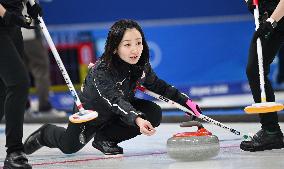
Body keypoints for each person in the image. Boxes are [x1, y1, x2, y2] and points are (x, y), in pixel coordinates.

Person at [23, 19, 202, 156]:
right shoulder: (102, 70)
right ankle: (44, 133)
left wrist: (185, 101)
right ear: (115, 48)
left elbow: (158, 86)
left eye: (139, 43)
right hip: (92, 115)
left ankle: (105, 139)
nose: (135, 50)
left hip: (120, 112)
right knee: (69, 147)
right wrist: (137, 119)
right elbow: (114, 101)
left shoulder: (141, 64)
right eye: (128, 45)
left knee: (154, 112)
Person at [0, 0, 42, 168]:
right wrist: (6, 14)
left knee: (3, 90)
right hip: (4, 20)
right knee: (18, 83)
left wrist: (31, 3)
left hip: (12, 26)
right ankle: (14, 151)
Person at [241, 0, 284, 152]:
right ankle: (271, 131)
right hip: (270, 19)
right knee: (255, 70)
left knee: (255, 69)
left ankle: (271, 131)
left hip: (277, 18)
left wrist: (271, 22)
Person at [22, 20, 66, 118]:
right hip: (29, 32)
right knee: (41, 70)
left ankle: (24, 109)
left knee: (20, 72)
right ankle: (44, 108)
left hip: (13, 33)